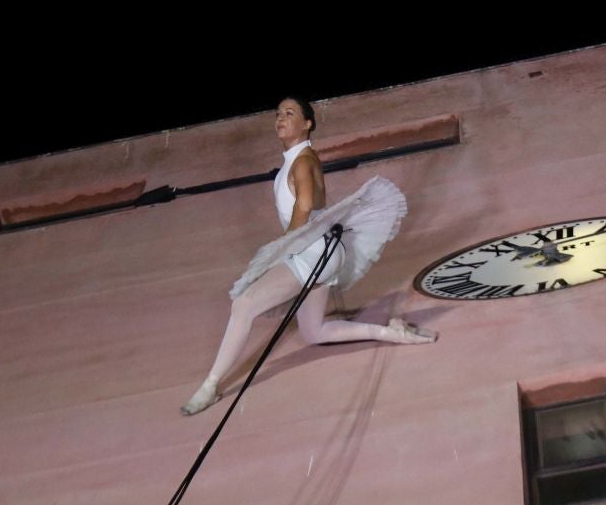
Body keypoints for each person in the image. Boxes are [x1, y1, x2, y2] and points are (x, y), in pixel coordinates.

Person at [182, 97, 435, 415]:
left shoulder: (302, 161)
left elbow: (303, 207)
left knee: (244, 305)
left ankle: (210, 386)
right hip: (321, 252)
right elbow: (312, 204)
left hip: (311, 253)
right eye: (277, 114)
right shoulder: (301, 160)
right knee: (313, 332)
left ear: (307, 124)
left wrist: (282, 250)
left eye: (289, 114)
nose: (280, 119)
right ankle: (391, 332)